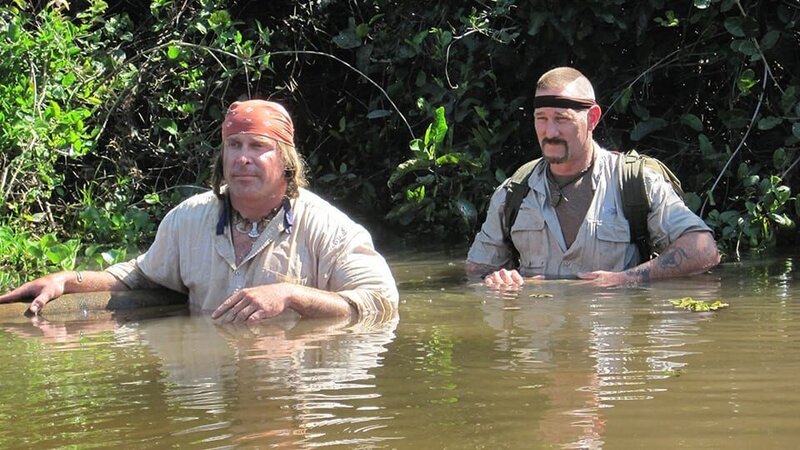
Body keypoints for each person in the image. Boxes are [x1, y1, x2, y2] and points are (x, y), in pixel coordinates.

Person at [0, 99, 399, 321]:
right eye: (234, 146)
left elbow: (381, 303)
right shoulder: (189, 218)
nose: (243, 158)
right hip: (216, 383)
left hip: (293, 379)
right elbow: (140, 275)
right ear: (221, 157)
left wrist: (293, 295)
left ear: (287, 161)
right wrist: (67, 281)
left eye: (258, 146)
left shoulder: (329, 228)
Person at [466, 67, 720, 288]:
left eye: (561, 119)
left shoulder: (635, 183)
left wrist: (626, 279)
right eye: (541, 118)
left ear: (593, 118)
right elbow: (477, 271)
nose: (549, 131)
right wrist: (496, 281)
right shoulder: (513, 193)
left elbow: (704, 250)